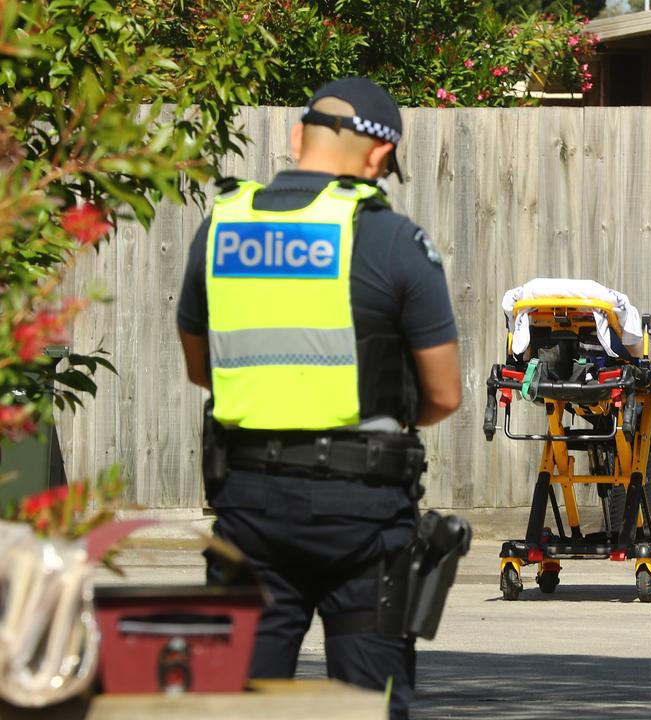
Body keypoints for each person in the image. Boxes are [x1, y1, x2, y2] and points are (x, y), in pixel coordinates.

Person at [176, 77, 461, 718]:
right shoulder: (393, 239)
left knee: (236, 704)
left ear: (295, 135)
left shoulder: (221, 227)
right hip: (361, 515)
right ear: (380, 158)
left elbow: (204, 370)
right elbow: (443, 394)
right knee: (369, 703)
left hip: (247, 506)